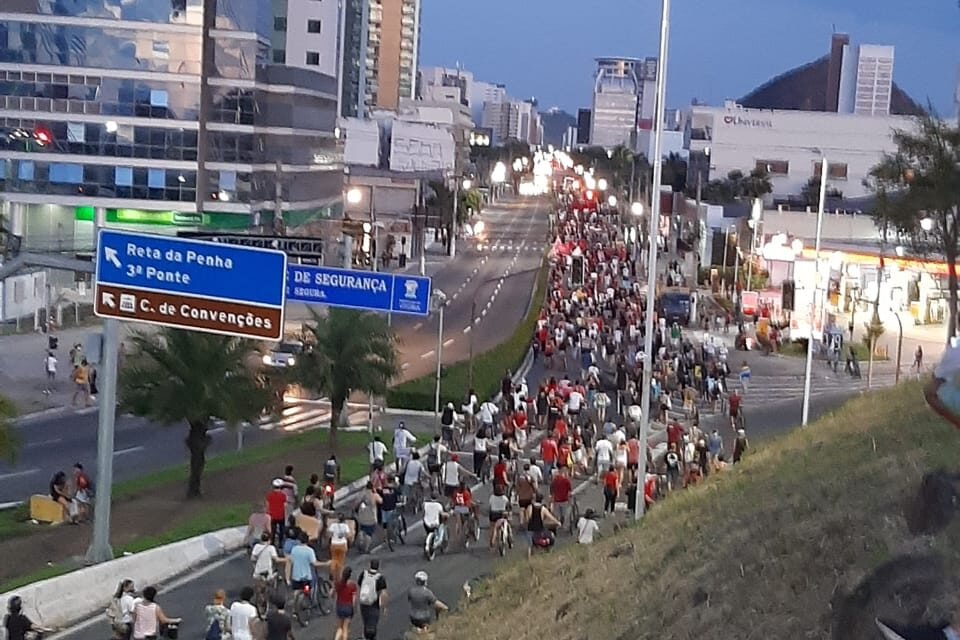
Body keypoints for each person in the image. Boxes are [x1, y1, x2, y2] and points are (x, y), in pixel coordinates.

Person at [357, 559, 388, 640]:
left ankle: (365, 637)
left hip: (363, 603)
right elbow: (383, 594)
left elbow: (360, 585)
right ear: (378, 566)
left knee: (366, 622)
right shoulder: (380, 578)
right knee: (373, 625)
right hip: (374, 605)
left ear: (370, 565)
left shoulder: (364, 574)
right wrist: (384, 607)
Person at [333, 566, 357, 640]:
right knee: (345, 628)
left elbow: (331, 593)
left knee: (340, 627)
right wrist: (353, 609)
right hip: (348, 607)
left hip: (339, 606)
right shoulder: (352, 585)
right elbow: (354, 600)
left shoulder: (338, 584)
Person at [327, 513, 352, 581]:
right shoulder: (345, 526)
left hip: (334, 544)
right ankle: (339, 577)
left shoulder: (333, 525)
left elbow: (329, 535)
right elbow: (348, 536)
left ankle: (332, 573)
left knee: (334, 559)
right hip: (342, 545)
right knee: (341, 561)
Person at [266, 479, 288, 549]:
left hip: (272, 516)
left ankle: (272, 543)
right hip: (281, 515)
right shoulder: (283, 496)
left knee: (273, 530)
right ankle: (281, 544)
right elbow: (285, 506)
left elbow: (267, 505)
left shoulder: (269, 495)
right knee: (282, 530)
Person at [487, 483, 510, 548]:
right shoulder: (504, 498)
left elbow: (490, 506)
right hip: (502, 514)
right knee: (506, 521)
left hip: (493, 514)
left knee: (493, 527)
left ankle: (492, 541)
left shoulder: (492, 497)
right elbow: (508, 506)